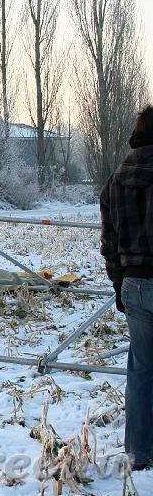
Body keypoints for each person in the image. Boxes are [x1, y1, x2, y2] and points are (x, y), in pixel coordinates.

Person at [100, 104, 153, 471]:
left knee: (142, 370)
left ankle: (139, 450)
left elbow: (109, 242)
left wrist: (120, 285)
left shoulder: (116, 181)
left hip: (134, 283)